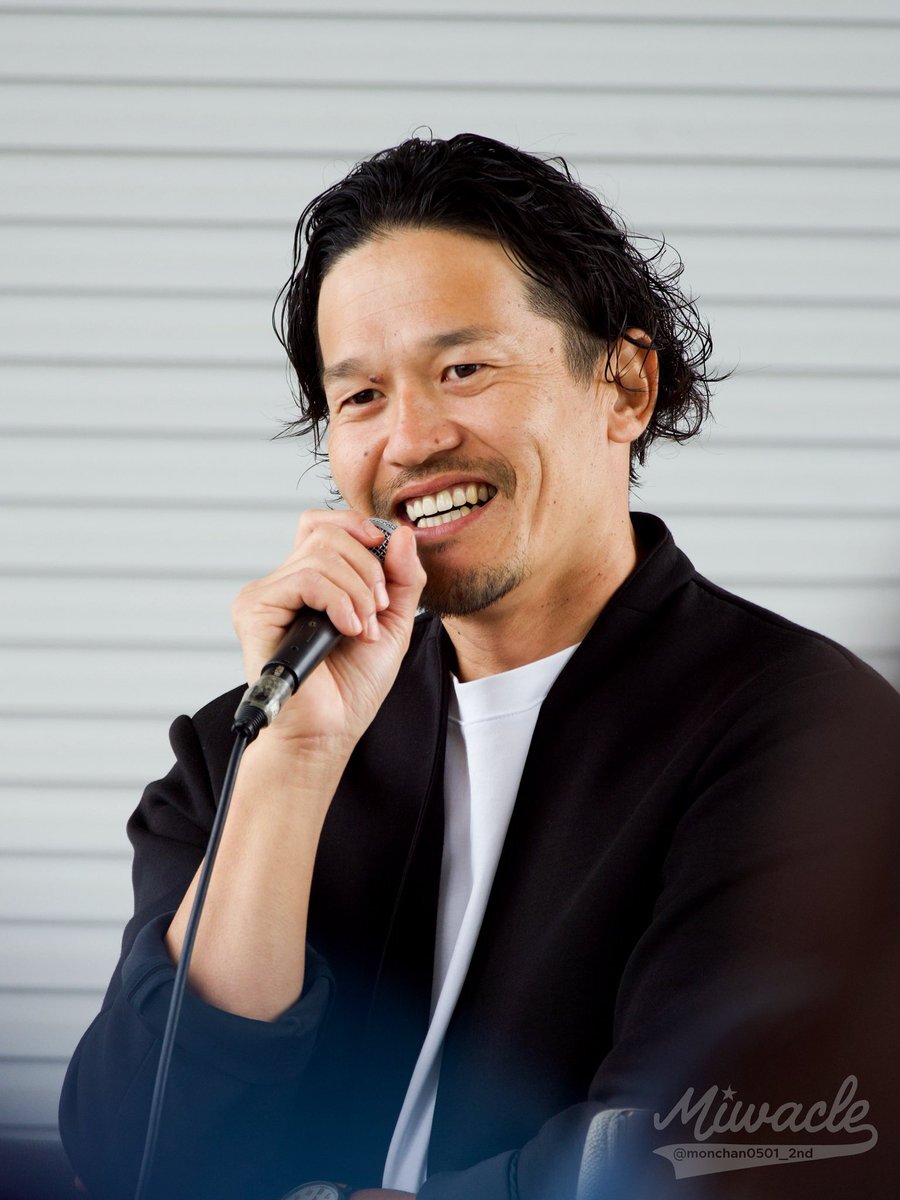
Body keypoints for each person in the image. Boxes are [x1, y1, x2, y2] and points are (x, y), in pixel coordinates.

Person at [59, 134, 900, 1200]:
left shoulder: (811, 742)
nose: (410, 440)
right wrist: (288, 772)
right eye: (361, 398)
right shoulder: (247, 744)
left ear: (626, 385)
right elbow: (138, 1158)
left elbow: (709, 1149)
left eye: (464, 369)